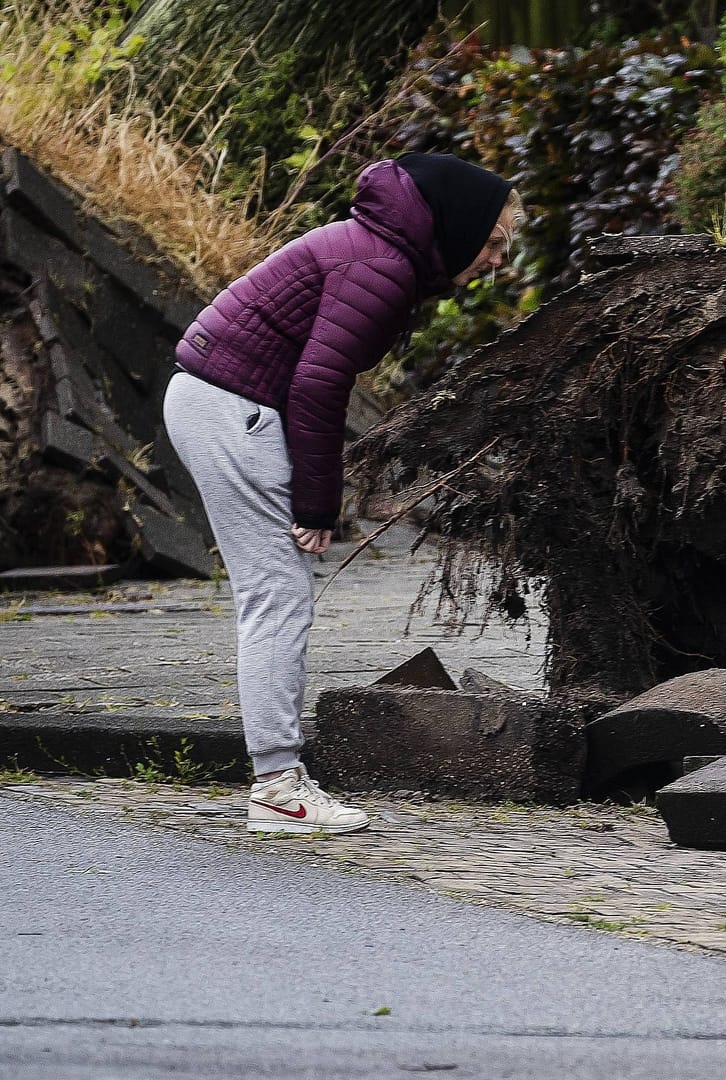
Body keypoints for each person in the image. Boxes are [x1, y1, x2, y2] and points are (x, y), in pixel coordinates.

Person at [164, 154, 518, 835]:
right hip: (232, 405)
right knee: (278, 593)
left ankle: (278, 780)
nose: (499, 259)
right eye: (495, 241)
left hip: (219, 399)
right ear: (463, 225)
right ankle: (278, 789)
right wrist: (316, 503)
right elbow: (319, 386)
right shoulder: (381, 268)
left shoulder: (384, 254)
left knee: (273, 591)